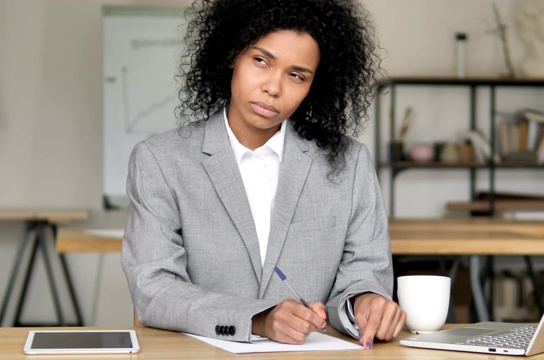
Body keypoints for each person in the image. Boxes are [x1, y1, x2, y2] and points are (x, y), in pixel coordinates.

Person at [121, 0, 406, 349]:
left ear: (314, 85)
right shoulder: (160, 161)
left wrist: (364, 303)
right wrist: (259, 318)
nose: (274, 87)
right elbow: (154, 289)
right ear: (232, 56)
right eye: (261, 61)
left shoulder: (350, 163)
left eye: (296, 75)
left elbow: (365, 273)